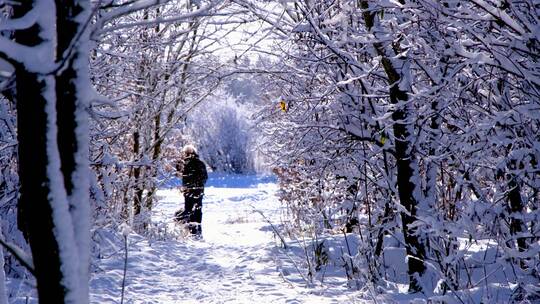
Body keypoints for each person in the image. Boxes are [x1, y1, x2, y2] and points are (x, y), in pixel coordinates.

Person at [175, 144, 208, 237]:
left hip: (188, 190)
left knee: (188, 209)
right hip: (198, 190)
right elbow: (205, 177)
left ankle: (191, 230)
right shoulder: (200, 163)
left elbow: (177, 173)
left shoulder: (184, 164)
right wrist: (198, 184)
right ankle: (197, 230)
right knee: (197, 209)